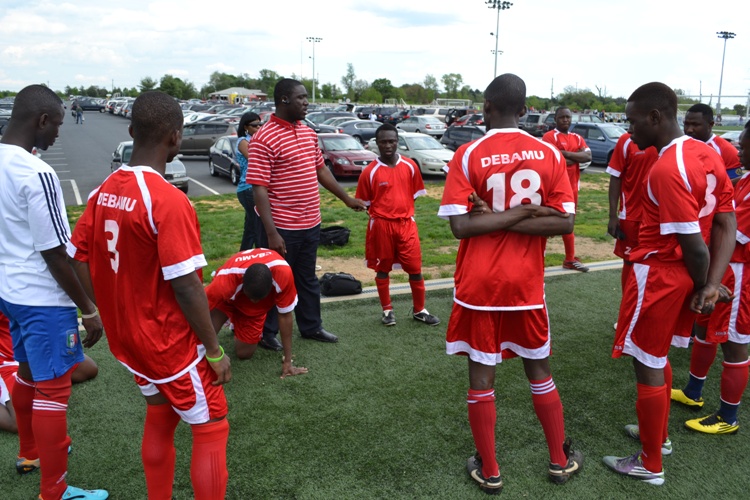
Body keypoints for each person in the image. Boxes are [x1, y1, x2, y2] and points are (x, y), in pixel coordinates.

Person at [68, 91, 231, 500]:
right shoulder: (169, 200)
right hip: (166, 341)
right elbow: (187, 285)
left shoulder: (101, 190)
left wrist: (100, 309)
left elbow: (78, 257)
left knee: (160, 415)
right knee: (212, 424)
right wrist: (214, 350)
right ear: (175, 139)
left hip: (128, 342)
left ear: (131, 131)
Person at [438, 73, 582, 495]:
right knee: (538, 369)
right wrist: (526, 212)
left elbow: (462, 227)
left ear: (485, 107)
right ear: (524, 110)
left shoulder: (467, 153)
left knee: (482, 377)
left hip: (478, 286)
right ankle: (559, 460)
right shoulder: (550, 153)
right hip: (526, 286)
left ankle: (491, 469)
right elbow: (564, 221)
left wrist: (494, 217)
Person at [603, 82, 735, 486]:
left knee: (647, 361)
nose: (629, 130)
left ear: (656, 117)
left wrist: (706, 286)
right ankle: (656, 439)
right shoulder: (706, 153)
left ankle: (650, 462)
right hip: (685, 273)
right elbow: (725, 221)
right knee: (658, 358)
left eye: (633, 121)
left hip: (661, 272)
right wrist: (712, 282)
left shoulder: (667, 166)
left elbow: (693, 244)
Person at [0, 84, 108, 500]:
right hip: (43, 299)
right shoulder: (36, 172)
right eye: (59, 124)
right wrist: (88, 308)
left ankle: (29, 453)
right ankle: (55, 491)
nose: (59, 134)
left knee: (28, 375)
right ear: (41, 120)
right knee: (53, 390)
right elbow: (56, 253)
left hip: (11, 292)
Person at [247, 78, 366, 350]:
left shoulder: (308, 132)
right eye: (301, 97)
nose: (306, 102)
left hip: (310, 222)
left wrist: (346, 198)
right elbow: (259, 189)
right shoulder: (263, 138)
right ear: (284, 100)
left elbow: (321, 170)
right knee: (276, 280)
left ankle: (311, 327)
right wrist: (272, 232)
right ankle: (267, 333)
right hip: (281, 227)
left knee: (307, 278)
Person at [672, 122, 750, 435]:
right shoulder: (745, 180)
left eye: (744, 146)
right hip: (724, 268)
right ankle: (693, 392)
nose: (739, 151)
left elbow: (731, 230)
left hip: (738, 274)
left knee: (734, 344)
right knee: (704, 330)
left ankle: (728, 417)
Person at [355, 123, 440, 327]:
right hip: (382, 226)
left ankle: (419, 310)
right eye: (383, 141)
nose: (388, 145)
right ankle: (387, 311)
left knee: (415, 268)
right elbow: (365, 202)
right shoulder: (370, 172)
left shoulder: (411, 166)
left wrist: (400, 211)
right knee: (383, 268)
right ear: (376, 143)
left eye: (392, 141)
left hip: (406, 225)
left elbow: (413, 196)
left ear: (397, 142)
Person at [205, 249, 308, 378]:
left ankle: (238, 322)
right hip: (227, 300)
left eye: (259, 299)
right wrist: (214, 352)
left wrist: (288, 361)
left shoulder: (283, 275)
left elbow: (285, 316)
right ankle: (231, 318)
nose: (254, 301)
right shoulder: (224, 283)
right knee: (203, 338)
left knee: (244, 354)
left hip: (252, 312)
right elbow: (198, 309)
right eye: (251, 298)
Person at [0, 311, 99, 435]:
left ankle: (40, 381)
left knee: (88, 369)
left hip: (31, 347)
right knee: (18, 422)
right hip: (6, 362)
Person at [606, 131, 659, 292]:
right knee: (630, 263)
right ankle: (626, 314)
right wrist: (612, 215)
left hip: (662, 219)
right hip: (632, 217)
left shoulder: (669, 141)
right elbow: (615, 177)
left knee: (658, 264)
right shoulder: (627, 140)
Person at [542, 107, 592, 272]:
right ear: (555, 119)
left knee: (568, 223)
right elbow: (555, 161)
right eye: (562, 117)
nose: (565, 120)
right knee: (546, 223)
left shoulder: (577, 138)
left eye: (568, 117)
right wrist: (573, 156)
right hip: (554, 188)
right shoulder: (549, 137)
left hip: (572, 188)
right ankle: (538, 260)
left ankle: (569, 259)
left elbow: (587, 157)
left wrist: (563, 153)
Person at [683, 103, 743, 182]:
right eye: (686, 124)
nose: (689, 129)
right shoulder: (679, 145)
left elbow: (735, 182)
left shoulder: (726, 150)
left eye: (695, 125)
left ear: (710, 125)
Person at [236, 112, 262, 250]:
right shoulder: (242, 142)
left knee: (251, 227)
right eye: (254, 125)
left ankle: (243, 257)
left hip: (254, 188)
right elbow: (256, 160)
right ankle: (261, 257)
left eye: (260, 124)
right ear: (246, 127)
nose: (258, 128)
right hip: (248, 188)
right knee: (258, 226)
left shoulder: (257, 140)